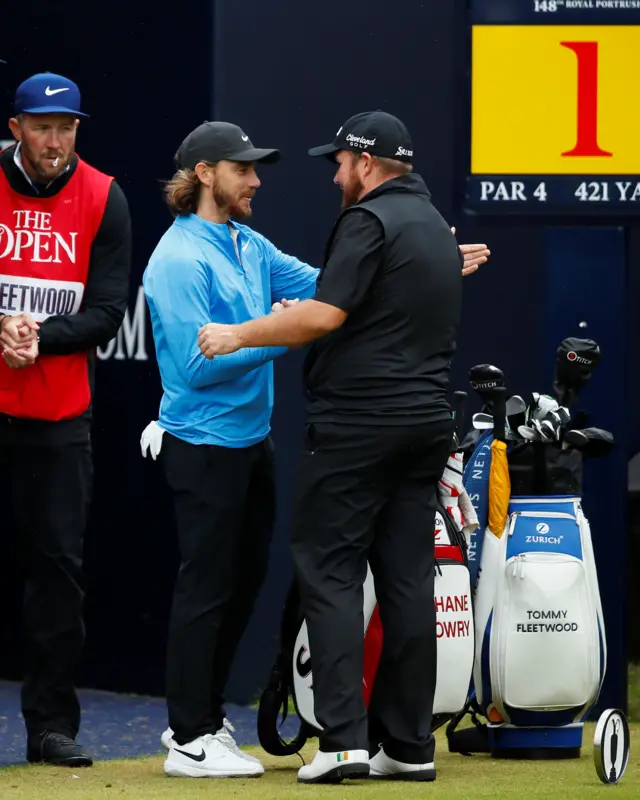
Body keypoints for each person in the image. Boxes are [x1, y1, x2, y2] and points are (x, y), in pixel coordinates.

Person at [197, 110, 466, 784]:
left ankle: (343, 741)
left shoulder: (367, 220)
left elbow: (326, 313)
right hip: (424, 426)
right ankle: (408, 746)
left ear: (368, 165)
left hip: (357, 427)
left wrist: (240, 334)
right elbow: (366, 305)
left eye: (341, 163)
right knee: (407, 582)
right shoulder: (434, 225)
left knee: (331, 571)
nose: (337, 175)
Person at [141, 121, 322, 779]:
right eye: (243, 168)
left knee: (240, 585)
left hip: (252, 443)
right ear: (206, 174)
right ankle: (188, 739)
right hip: (202, 447)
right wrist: (283, 334)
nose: (256, 179)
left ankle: (205, 717)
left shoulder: (247, 241)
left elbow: (322, 285)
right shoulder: (178, 258)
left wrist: (418, 263)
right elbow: (197, 369)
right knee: (207, 589)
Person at [0, 72, 131, 766]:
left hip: (57, 415)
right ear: (16, 127)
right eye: (43, 127)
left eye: (67, 128)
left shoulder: (104, 196)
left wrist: (38, 337)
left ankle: (50, 727)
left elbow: (108, 311)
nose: (56, 141)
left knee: (57, 575)